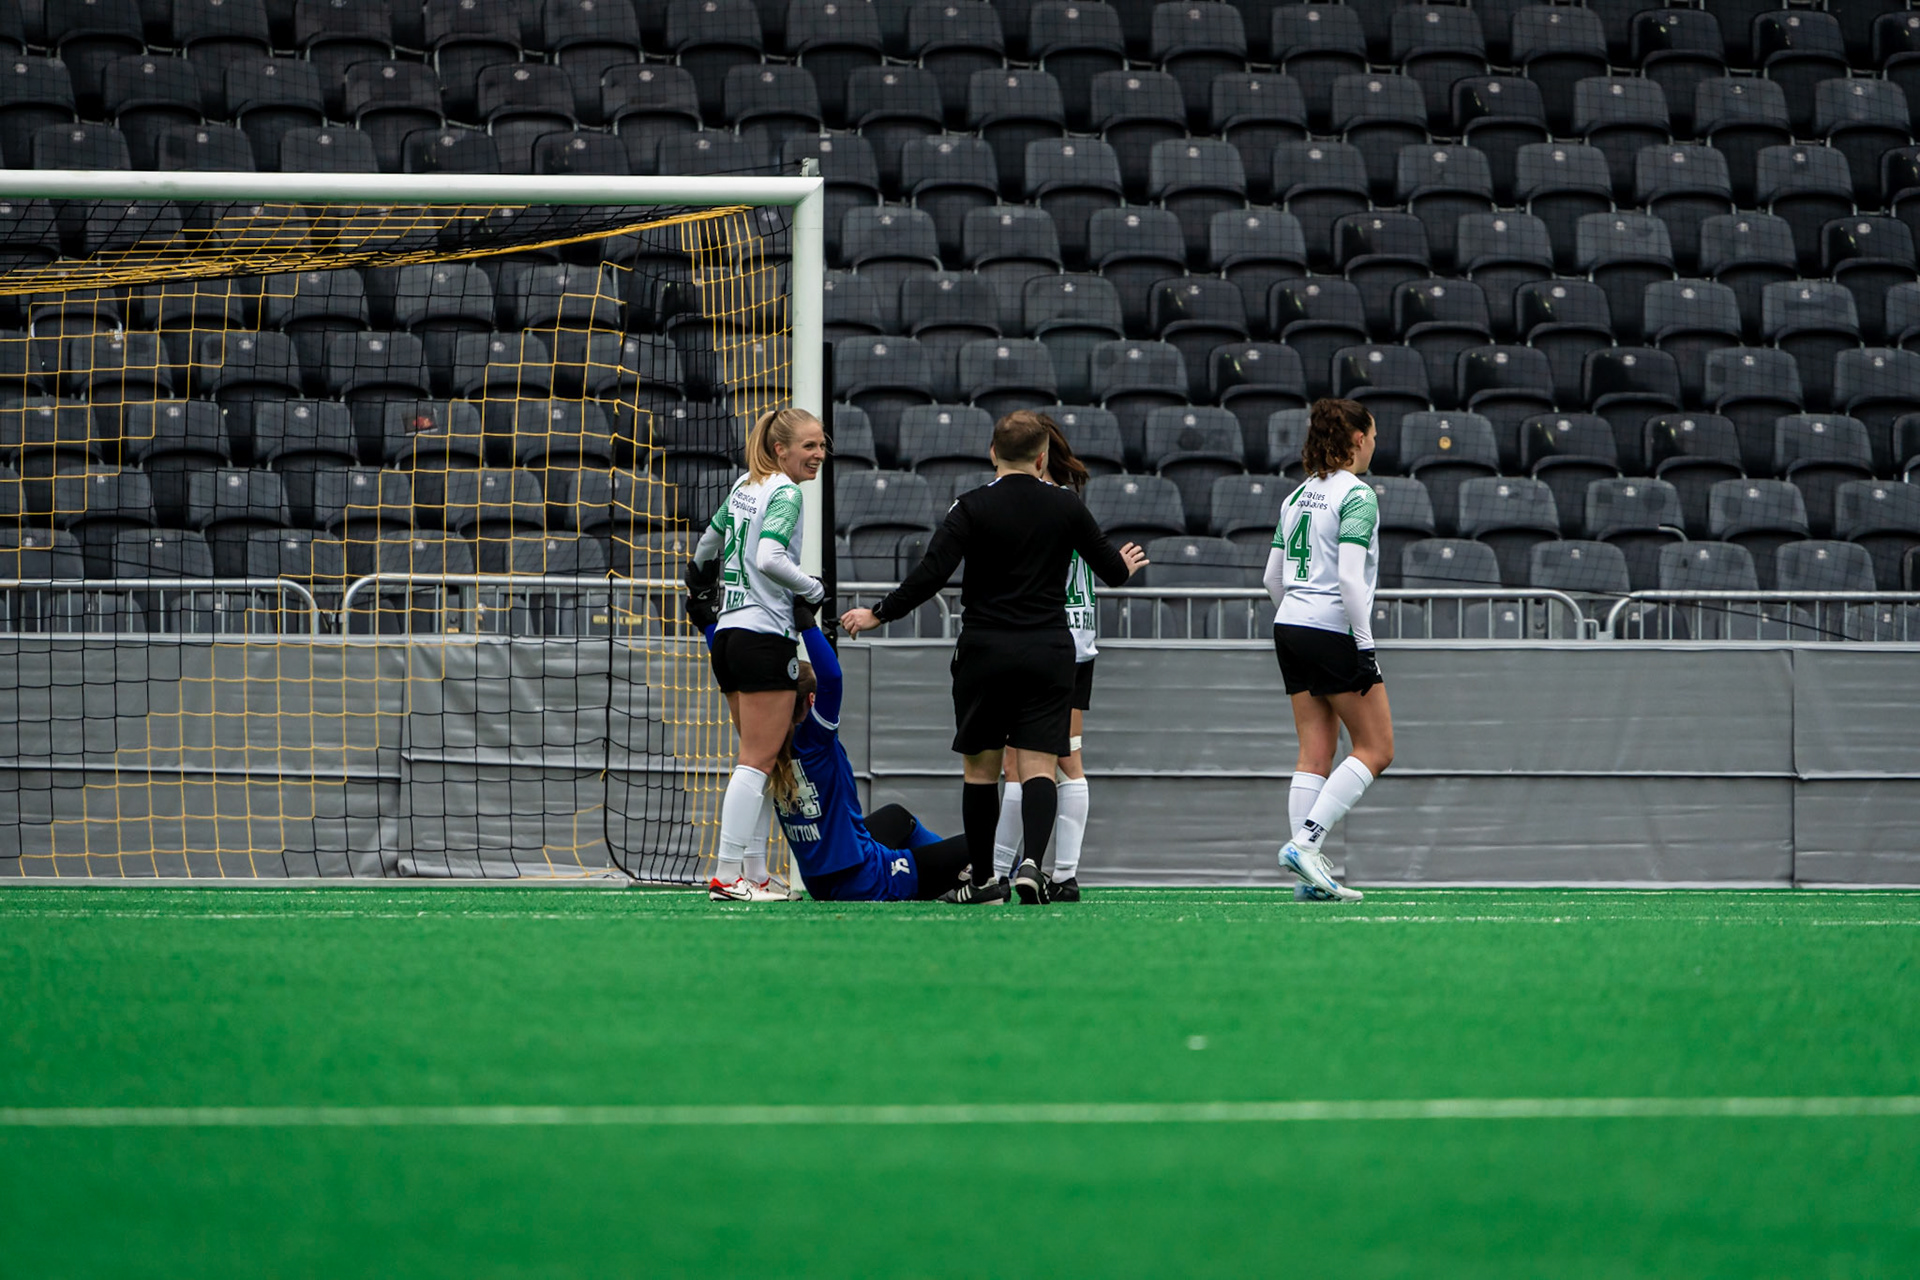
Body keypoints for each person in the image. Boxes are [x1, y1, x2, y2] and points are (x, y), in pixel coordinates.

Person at [840, 410, 1148, 905]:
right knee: (1041, 767)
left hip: (985, 650)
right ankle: (1033, 866)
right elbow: (1111, 571)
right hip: (1049, 652)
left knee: (981, 771)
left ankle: (984, 880)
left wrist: (879, 614)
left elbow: (932, 572)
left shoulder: (971, 506)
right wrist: (1126, 567)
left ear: (992, 453)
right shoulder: (1065, 506)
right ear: (1043, 456)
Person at [692, 610, 974, 901]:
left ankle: (952, 874)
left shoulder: (763, 741)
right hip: (864, 879)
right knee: (982, 842)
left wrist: (711, 625)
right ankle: (965, 879)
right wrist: (807, 625)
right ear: (812, 701)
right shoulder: (816, 740)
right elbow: (832, 677)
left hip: (819, 881)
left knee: (896, 817)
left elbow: (732, 682)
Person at [683, 407, 828, 902]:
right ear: (780, 449)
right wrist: (813, 588)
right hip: (764, 635)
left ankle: (755, 874)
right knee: (758, 761)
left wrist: (700, 582)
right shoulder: (784, 491)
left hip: (728, 634)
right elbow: (769, 557)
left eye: (822, 444)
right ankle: (727, 876)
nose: (819, 454)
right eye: (809, 446)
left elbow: (707, 545)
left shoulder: (746, 484)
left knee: (761, 761)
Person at [1266, 398, 1394, 903]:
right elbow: (1348, 577)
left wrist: (1297, 614)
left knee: (1314, 753)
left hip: (1289, 624)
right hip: (1331, 627)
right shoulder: (1357, 495)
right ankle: (1306, 844)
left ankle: (1309, 883)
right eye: (1374, 437)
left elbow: (1271, 577)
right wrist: (1364, 646)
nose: (1375, 446)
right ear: (1358, 440)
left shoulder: (1297, 494)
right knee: (1377, 748)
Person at [992, 415, 1096, 902]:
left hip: (1039, 640)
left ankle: (996, 872)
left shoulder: (1025, 500)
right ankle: (1063, 874)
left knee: (1020, 763)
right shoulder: (1069, 503)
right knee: (1065, 760)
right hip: (1077, 642)